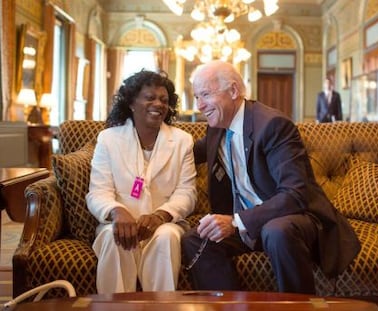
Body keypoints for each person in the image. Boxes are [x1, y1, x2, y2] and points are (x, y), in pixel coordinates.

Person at [181, 60, 360, 294]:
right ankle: (228, 306)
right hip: (249, 222)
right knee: (194, 239)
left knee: (276, 231)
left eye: (205, 94)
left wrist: (235, 221)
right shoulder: (216, 126)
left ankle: (298, 308)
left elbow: (295, 194)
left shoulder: (273, 125)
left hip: (295, 217)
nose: (200, 106)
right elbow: (186, 156)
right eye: (196, 97)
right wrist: (150, 146)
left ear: (233, 91)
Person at [86, 70, 197, 294]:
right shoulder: (108, 139)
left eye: (164, 100)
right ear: (132, 103)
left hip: (164, 224)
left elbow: (187, 192)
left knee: (166, 236)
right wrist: (117, 212)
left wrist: (161, 216)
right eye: (150, 97)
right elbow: (98, 192)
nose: (158, 104)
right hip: (117, 223)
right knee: (112, 236)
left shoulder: (182, 141)